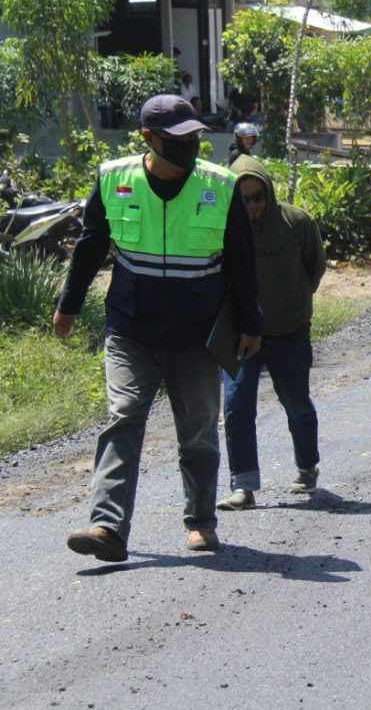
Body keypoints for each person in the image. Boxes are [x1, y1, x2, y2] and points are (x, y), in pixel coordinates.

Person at [56, 94, 262, 561]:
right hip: (132, 331)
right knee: (123, 417)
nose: (189, 146)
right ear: (149, 139)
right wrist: (67, 305)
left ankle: (201, 522)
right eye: (177, 139)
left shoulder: (221, 185)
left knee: (198, 431)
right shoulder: (115, 178)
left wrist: (251, 324)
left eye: (193, 137)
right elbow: (91, 244)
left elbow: (242, 263)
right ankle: (107, 526)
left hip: (197, 335)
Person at [216, 156, 326, 511]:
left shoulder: (296, 222)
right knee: (236, 406)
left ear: (268, 194)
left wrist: (293, 302)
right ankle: (243, 485)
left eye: (257, 198)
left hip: (288, 332)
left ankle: (307, 466)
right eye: (243, 199)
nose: (251, 207)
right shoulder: (218, 225)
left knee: (296, 403)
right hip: (240, 335)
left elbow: (315, 266)